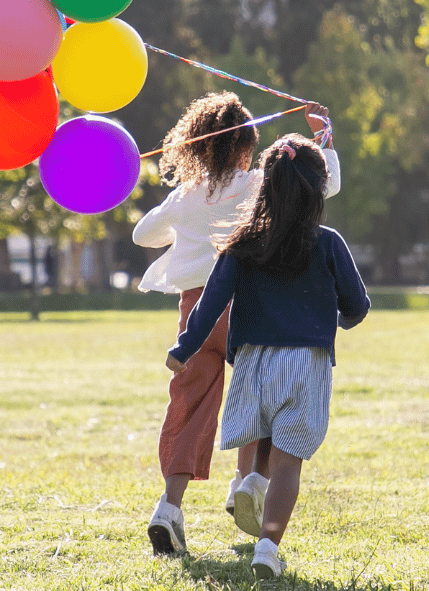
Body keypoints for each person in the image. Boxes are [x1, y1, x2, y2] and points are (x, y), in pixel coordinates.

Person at [133, 93, 340, 556]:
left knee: (189, 407)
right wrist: (323, 137)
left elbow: (141, 234)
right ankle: (247, 484)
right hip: (248, 309)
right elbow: (323, 185)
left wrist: (186, 217)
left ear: (197, 149)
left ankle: (169, 507)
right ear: (247, 147)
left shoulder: (185, 196)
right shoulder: (256, 184)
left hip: (196, 314)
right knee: (265, 401)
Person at [166, 134, 369, 579]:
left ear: (265, 186)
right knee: (289, 463)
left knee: (262, 432)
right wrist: (338, 318)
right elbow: (357, 305)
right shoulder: (329, 242)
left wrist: (184, 347)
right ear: (318, 190)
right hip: (306, 364)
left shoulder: (242, 242)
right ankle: (267, 546)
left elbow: (211, 303)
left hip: (254, 362)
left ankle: (252, 482)